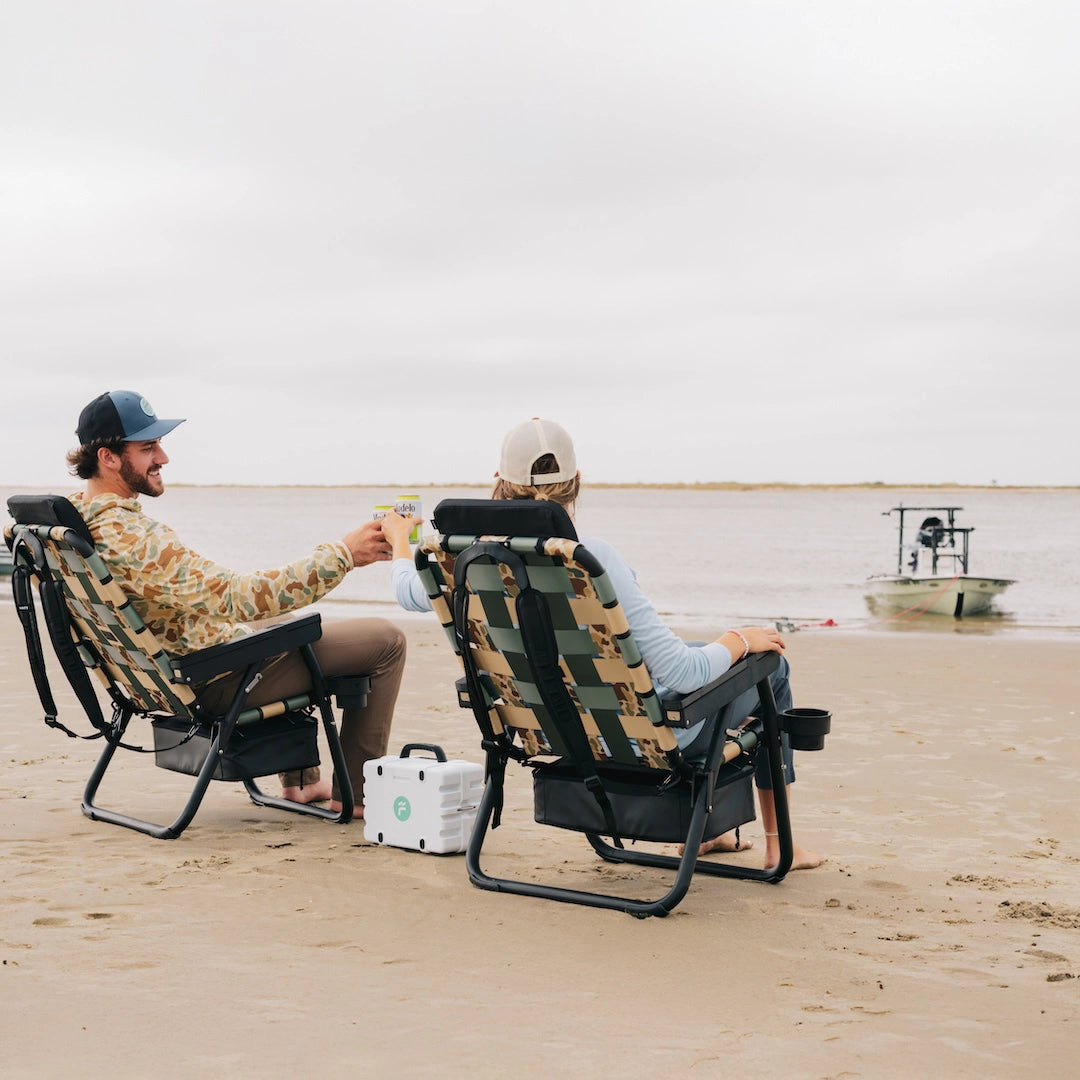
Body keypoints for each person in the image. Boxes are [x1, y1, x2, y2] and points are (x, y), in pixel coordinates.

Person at [382, 417, 822, 871]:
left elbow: (406, 589)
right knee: (770, 668)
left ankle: (715, 833)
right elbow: (683, 675)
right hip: (640, 738)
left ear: (498, 482)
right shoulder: (590, 559)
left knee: (695, 650)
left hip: (549, 730)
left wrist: (399, 540)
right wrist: (738, 640)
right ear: (576, 482)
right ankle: (778, 844)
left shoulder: (465, 561)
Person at [66, 389, 406, 819]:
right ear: (108, 457)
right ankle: (355, 796)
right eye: (147, 447)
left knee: (290, 620)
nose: (163, 458)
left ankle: (300, 784)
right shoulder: (132, 538)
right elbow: (236, 597)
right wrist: (344, 554)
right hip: (210, 682)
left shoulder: (74, 522)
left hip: (156, 678)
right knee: (385, 639)